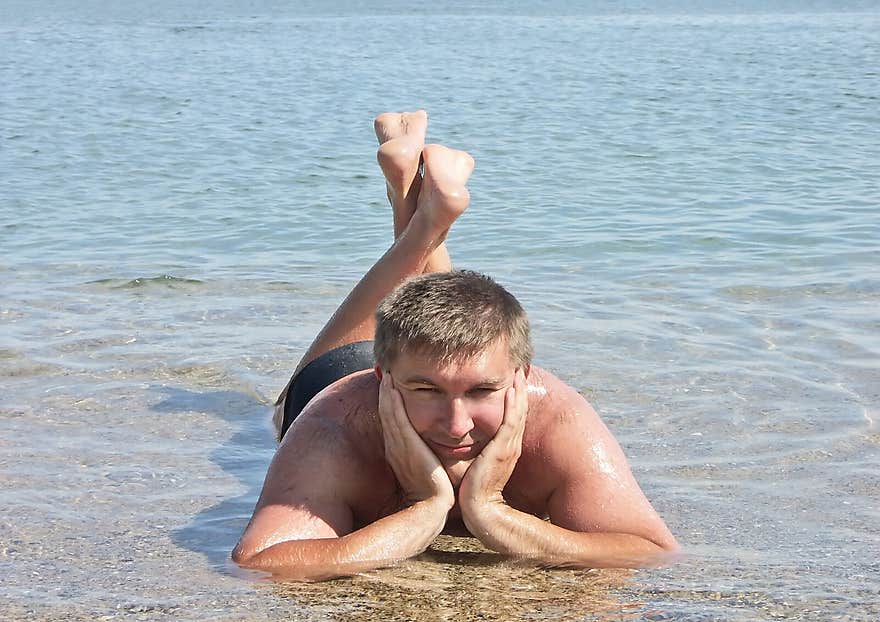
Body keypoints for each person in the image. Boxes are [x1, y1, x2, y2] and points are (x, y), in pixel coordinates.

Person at [232, 110, 679, 581]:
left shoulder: (555, 417)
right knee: (280, 411)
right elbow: (263, 562)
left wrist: (491, 512)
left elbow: (651, 549)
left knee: (455, 315)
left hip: (421, 359)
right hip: (337, 374)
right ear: (382, 379)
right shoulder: (334, 423)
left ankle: (418, 209)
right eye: (427, 391)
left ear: (524, 377)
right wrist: (425, 510)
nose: (456, 424)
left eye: (483, 391)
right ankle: (420, 216)